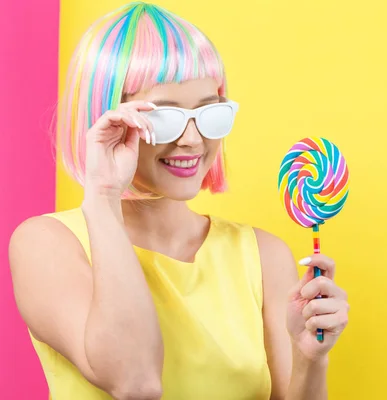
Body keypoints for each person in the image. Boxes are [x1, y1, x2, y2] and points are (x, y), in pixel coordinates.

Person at [8, 3, 349, 399]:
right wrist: (103, 196)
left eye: (210, 113)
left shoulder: (264, 256)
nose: (192, 139)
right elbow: (136, 383)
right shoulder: (46, 244)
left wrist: (310, 358)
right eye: (165, 117)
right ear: (108, 121)